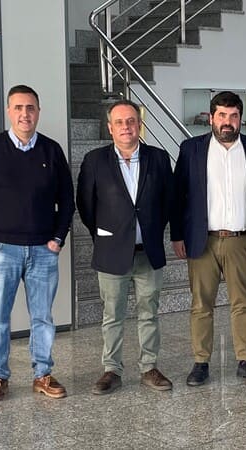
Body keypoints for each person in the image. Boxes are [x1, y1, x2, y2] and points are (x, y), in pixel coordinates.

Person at [0, 84, 75, 403]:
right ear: (8, 112)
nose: (25, 114)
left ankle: (42, 375)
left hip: (43, 250)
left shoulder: (51, 151)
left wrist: (58, 237)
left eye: (31, 108)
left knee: (43, 318)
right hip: (0, 249)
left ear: (38, 112)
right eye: (19, 108)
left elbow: (67, 199)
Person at [171, 91, 246, 385]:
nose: (227, 121)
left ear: (241, 118)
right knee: (201, 304)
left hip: (240, 240)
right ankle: (200, 363)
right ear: (211, 118)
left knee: (243, 303)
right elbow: (178, 197)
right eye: (221, 115)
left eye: (233, 116)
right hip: (202, 240)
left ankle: (245, 360)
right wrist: (177, 235)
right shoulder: (191, 149)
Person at [76, 99, 174, 395]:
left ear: (139, 124)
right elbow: (86, 205)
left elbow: (168, 201)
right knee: (112, 315)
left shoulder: (158, 158)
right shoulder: (95, 160)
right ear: (110, 128)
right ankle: (112, 370)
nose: (126, 127)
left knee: (149, 313)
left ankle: (149, 367)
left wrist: (153, 230)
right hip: (111, 252)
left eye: (131, 121)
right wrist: (107, 236)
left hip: (148, 252)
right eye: (119, 122)